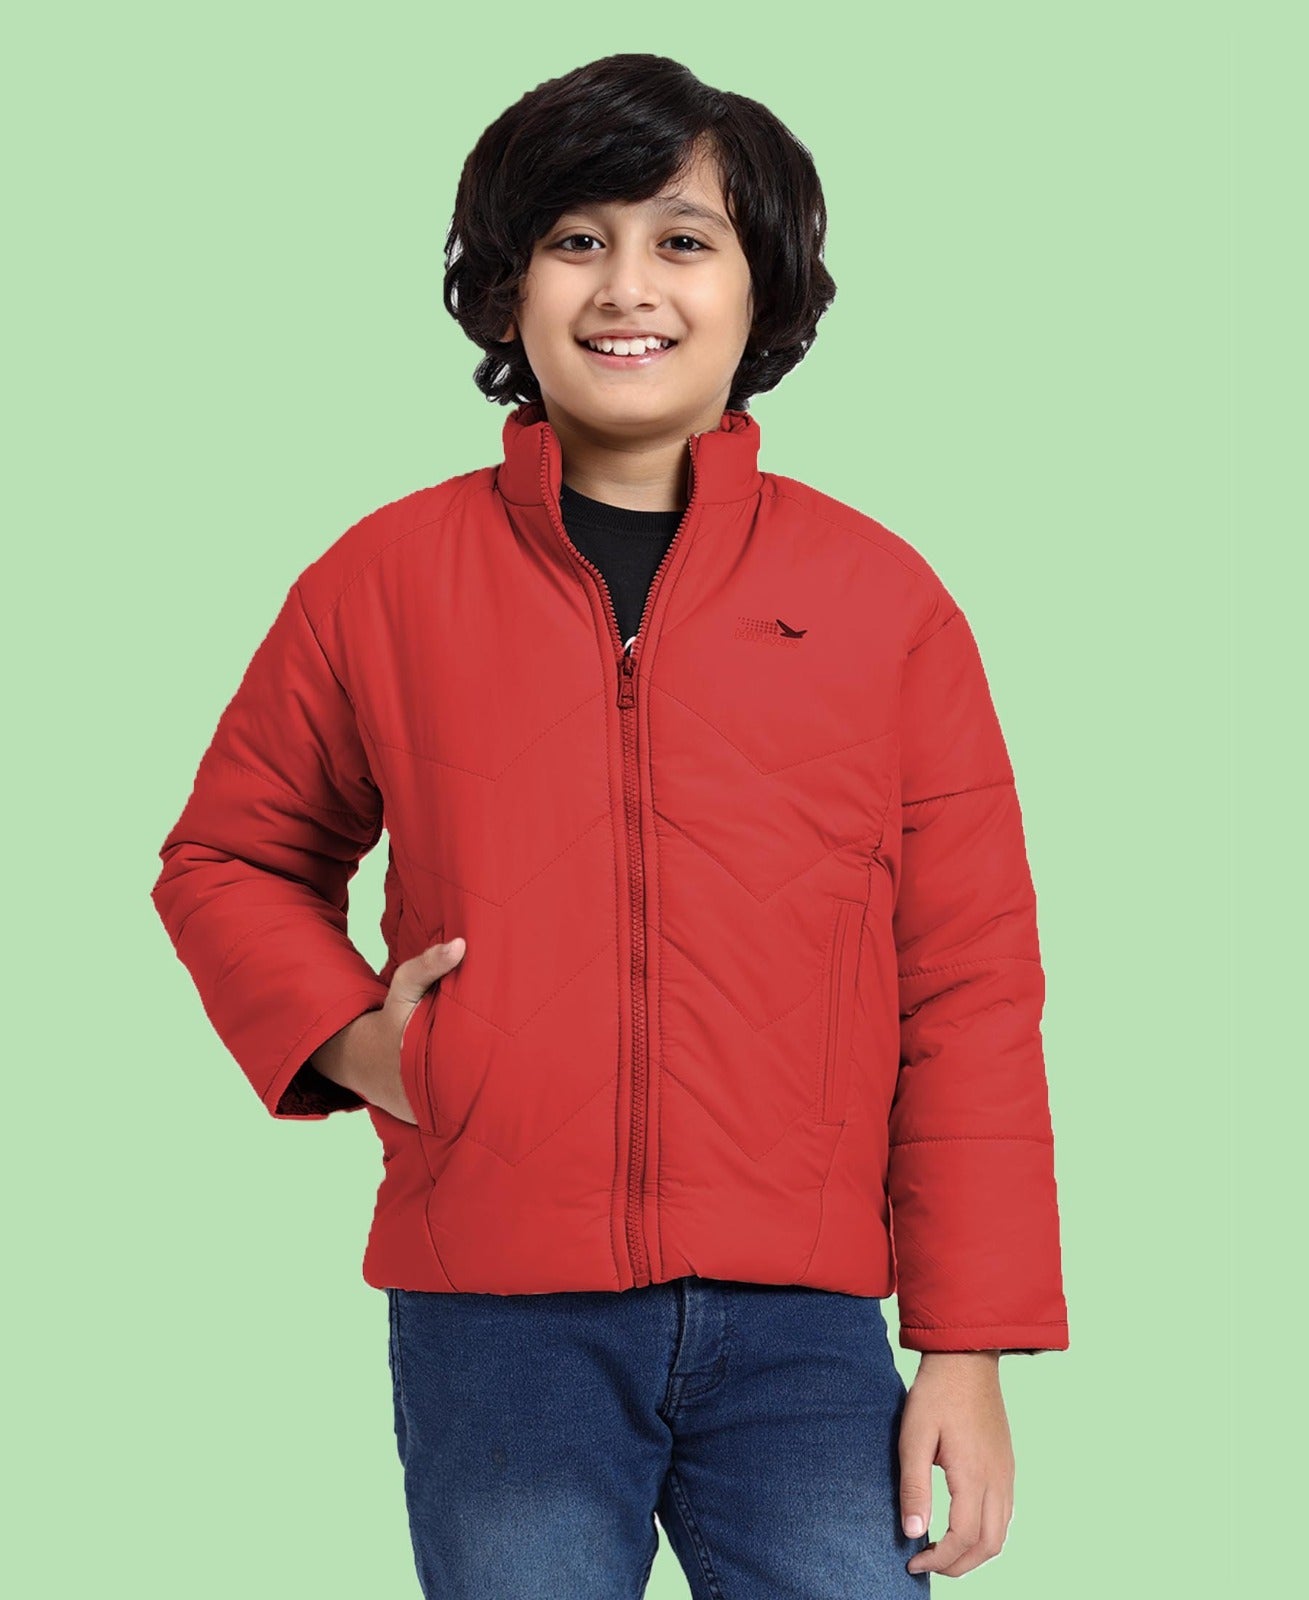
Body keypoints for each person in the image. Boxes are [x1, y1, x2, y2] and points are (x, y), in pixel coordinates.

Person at [150, 53, 1068, 1598]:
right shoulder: (387, 580)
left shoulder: (879, 601)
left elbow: (969, 985)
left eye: (680, 240)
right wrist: (357, 1047)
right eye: (576, 239)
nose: (625, 287)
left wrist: (967, 1348)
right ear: (506, 286)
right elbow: (229, 857)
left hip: (804, 1325)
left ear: (760, 288)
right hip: (496, 1315)